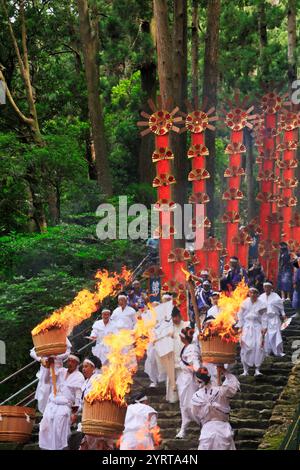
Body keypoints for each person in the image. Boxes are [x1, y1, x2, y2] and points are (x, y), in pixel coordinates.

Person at [38, 353, 85, 450]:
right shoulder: (61, 371)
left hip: (64, 407)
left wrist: (75, 413)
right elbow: (46, 381)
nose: (70, 363)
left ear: (77, 364)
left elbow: (78, 397)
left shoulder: (79, 376)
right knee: (44, 429)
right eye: (69, 360)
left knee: (59, 433)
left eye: (73, 361)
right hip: (51, 405)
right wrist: (47, 367)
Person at [191, 366, 240, 450]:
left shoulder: (197, 396)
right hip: (223, 429)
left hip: (207, 430)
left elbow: (195, 415)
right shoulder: (222, 391)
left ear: (197, 380)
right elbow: (234, 384)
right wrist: (225, 371)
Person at [30, 338, 71, 413]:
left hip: (57, 371)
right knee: (44, 393)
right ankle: (44, 414)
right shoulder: (44, 336)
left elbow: (68, 352)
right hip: (45, 369)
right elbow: (32, 352)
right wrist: (41, 359)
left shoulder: (61, 336)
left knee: (57, 393)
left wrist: (56, 357)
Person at [175, 327, 201, 439]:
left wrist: (200, 374)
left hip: (189, 381)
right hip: (183, 379)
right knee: (183, 405)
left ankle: (203, 423)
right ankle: (183, 428)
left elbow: (195, 363)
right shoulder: (186, 347)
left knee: (191, 405)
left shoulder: (191, 348)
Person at [236, 287, 267, 376]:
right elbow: (240, 315)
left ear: (257, 294)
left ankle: (257, 369)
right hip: (247, 327)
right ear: (249, 293)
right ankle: (245, 370)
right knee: (246, 346)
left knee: (258, 347)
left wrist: (264, 327)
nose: (253, 294)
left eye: (255, 293)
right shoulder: (244, 303)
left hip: (257, 327)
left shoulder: (262, 304)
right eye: (251, 293)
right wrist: (240, 326)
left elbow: (264, 317)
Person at [259, 281, 286, 357]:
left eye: (268, 287)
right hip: (264, 319)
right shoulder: (261, 297)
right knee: (266, 336)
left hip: (274, 319)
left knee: (276, 335)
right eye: (265, 287)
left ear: (271, 288)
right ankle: (267, 351)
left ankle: (278, 351)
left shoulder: (276, 296)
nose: (266, 288)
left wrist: (283, 315)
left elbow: (281, 307)